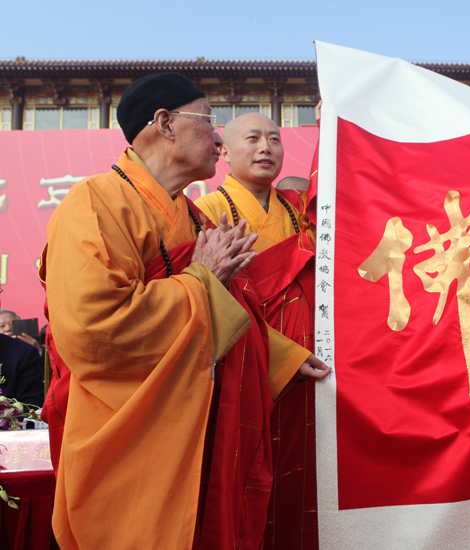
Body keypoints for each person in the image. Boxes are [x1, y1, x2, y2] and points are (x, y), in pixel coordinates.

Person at [40, 72, 327, 550]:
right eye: (209, 121)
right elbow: (95, 330)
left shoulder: (193, 217)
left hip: (205, 433)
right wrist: (203, 279)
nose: (219, 139)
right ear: (164, 123)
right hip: (134, 440)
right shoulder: (93, 203)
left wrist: (284, 357)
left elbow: (235, 310)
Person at [196, 112, 324, 549]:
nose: (266, 147)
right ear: (225, 152)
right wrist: (282, 353)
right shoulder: (209, 211)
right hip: (249, 367)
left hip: (316, 364)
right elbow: (208, 299)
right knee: (248, 480)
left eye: (274, 138)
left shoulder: (298, 211)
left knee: (309, 478)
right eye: (253, 138)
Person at [0, 290, 44, 406]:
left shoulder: (23, 353)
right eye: (2, 326)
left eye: (12, 324)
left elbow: (30, 408)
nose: (8, 329)